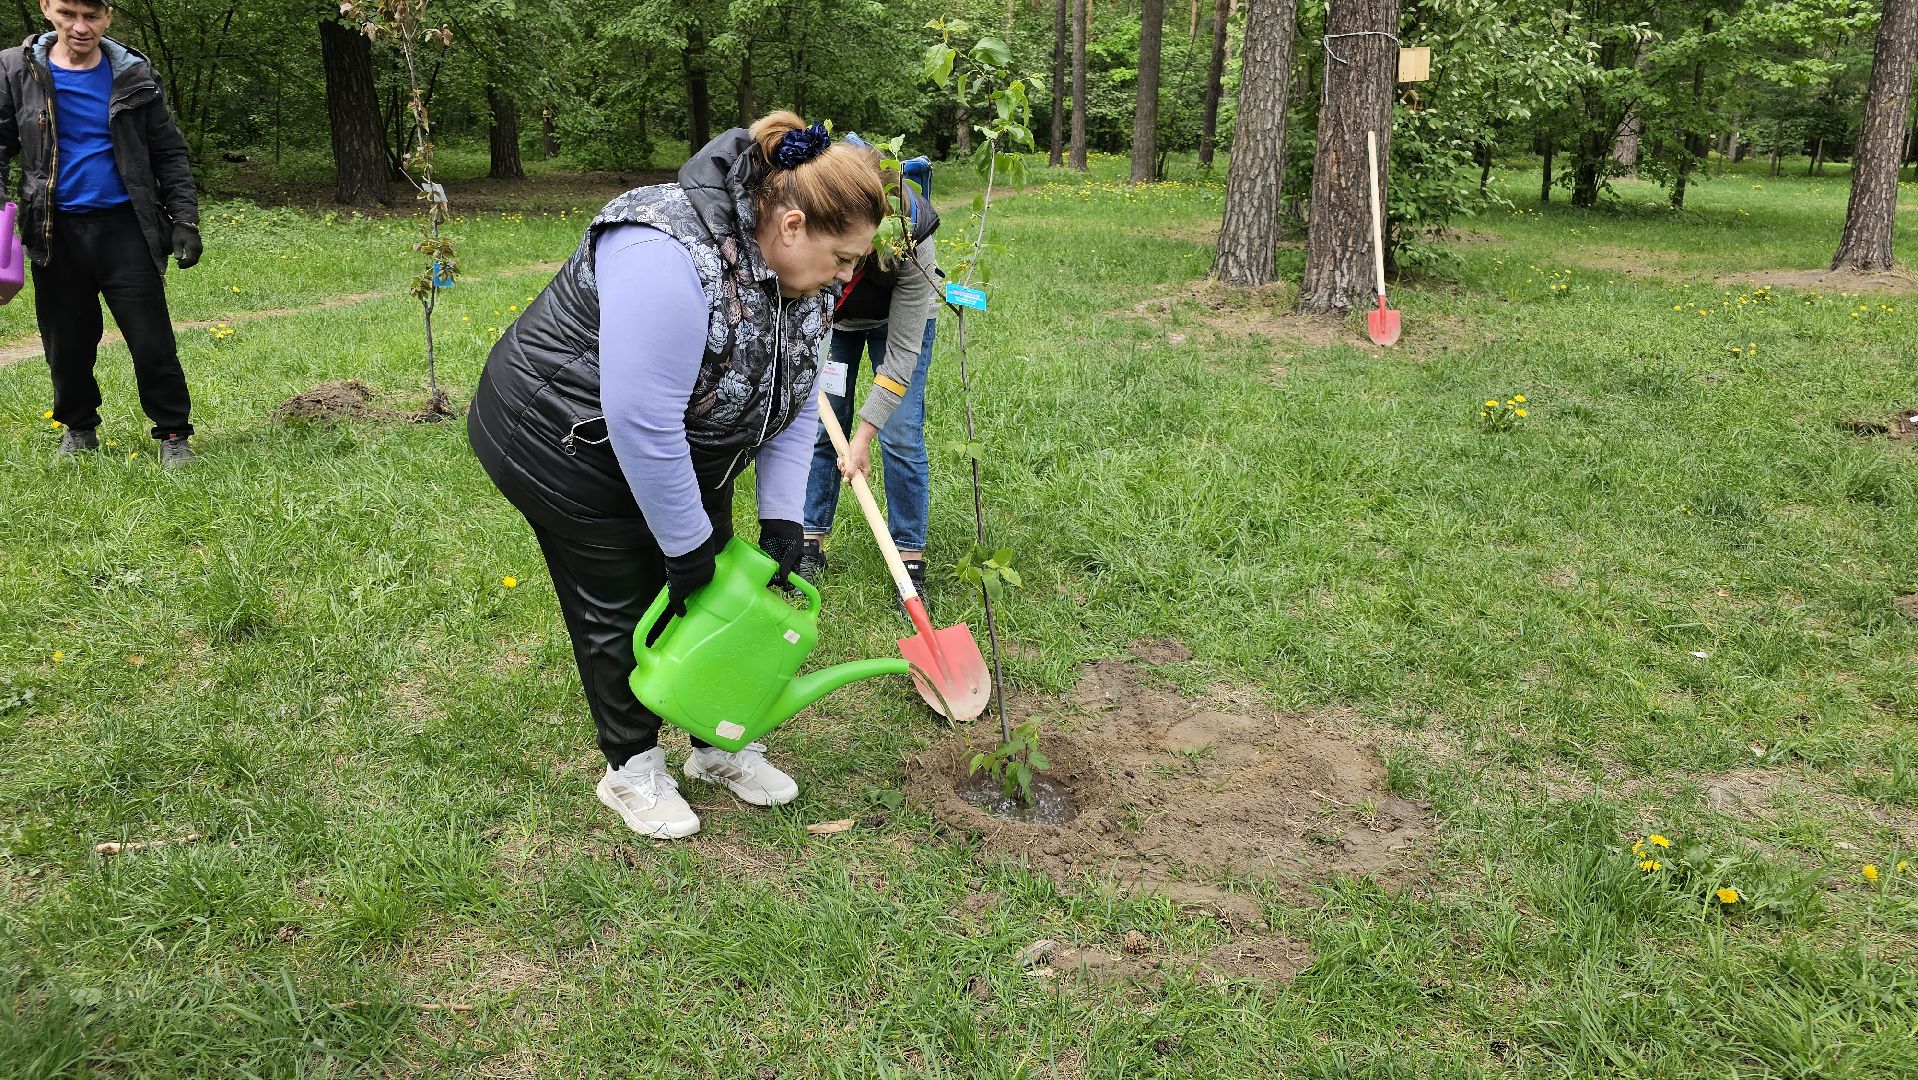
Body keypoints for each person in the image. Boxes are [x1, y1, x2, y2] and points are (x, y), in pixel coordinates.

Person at [468, 112, 885, 840]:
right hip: (564, 439)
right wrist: (686, 545)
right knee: (622, 601)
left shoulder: (809, 284)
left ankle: (716, 744)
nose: (850, 275)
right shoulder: (666, 249)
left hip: (682, 443)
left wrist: (782, 517)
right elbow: (640, 419)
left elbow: (789, 403)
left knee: (716, 584)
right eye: (845, 257)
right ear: (790, 225)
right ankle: (630, 769)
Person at [0, 0, 202, 466]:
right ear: (46, 8)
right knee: (67, 343)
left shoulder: (134, 73)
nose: (80, 26)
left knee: (152, 341)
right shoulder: (18, 69)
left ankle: (173, 434)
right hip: (55, 230)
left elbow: (168, 152)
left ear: (109, 15)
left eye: (92, 15)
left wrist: (185, 219)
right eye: (68, 13)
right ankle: (79, 429)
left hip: (127, 228)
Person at [796, 153, 941, 595]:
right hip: (837, 322)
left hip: (896, 323)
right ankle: (809, 539)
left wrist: (862, 441)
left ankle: (908, 556)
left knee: (900, 433)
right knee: (825, 429)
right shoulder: (813, 218)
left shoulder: (914, 236)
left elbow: (900, 356)